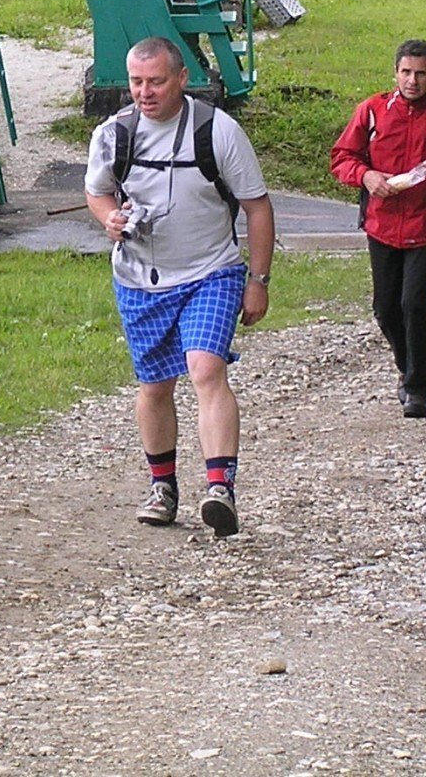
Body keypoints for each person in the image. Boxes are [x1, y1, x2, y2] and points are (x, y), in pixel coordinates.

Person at [86, 37, 275, 538]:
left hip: (211, 272)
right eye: (136, 82)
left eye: (156, 81)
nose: (144, 92)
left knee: (206, 369)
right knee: (155, 386)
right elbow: (98, 190)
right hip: (139, 278)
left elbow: (257, 207)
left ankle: (220, 489)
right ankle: (163, 487)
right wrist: (111, 219)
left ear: (182, 78)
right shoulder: (114, 135)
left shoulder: (218, 132)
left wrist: (258, 281)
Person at [330, 38, 426, 420]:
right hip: (381, 224)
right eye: (406, 72)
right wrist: (365, 177)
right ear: (395, 72)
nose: (412, 80)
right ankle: (406, 363)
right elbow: (342, 157)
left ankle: (418, 390)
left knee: (414, 303)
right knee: (385, 307)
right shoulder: (372, 111)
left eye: (421, 73)